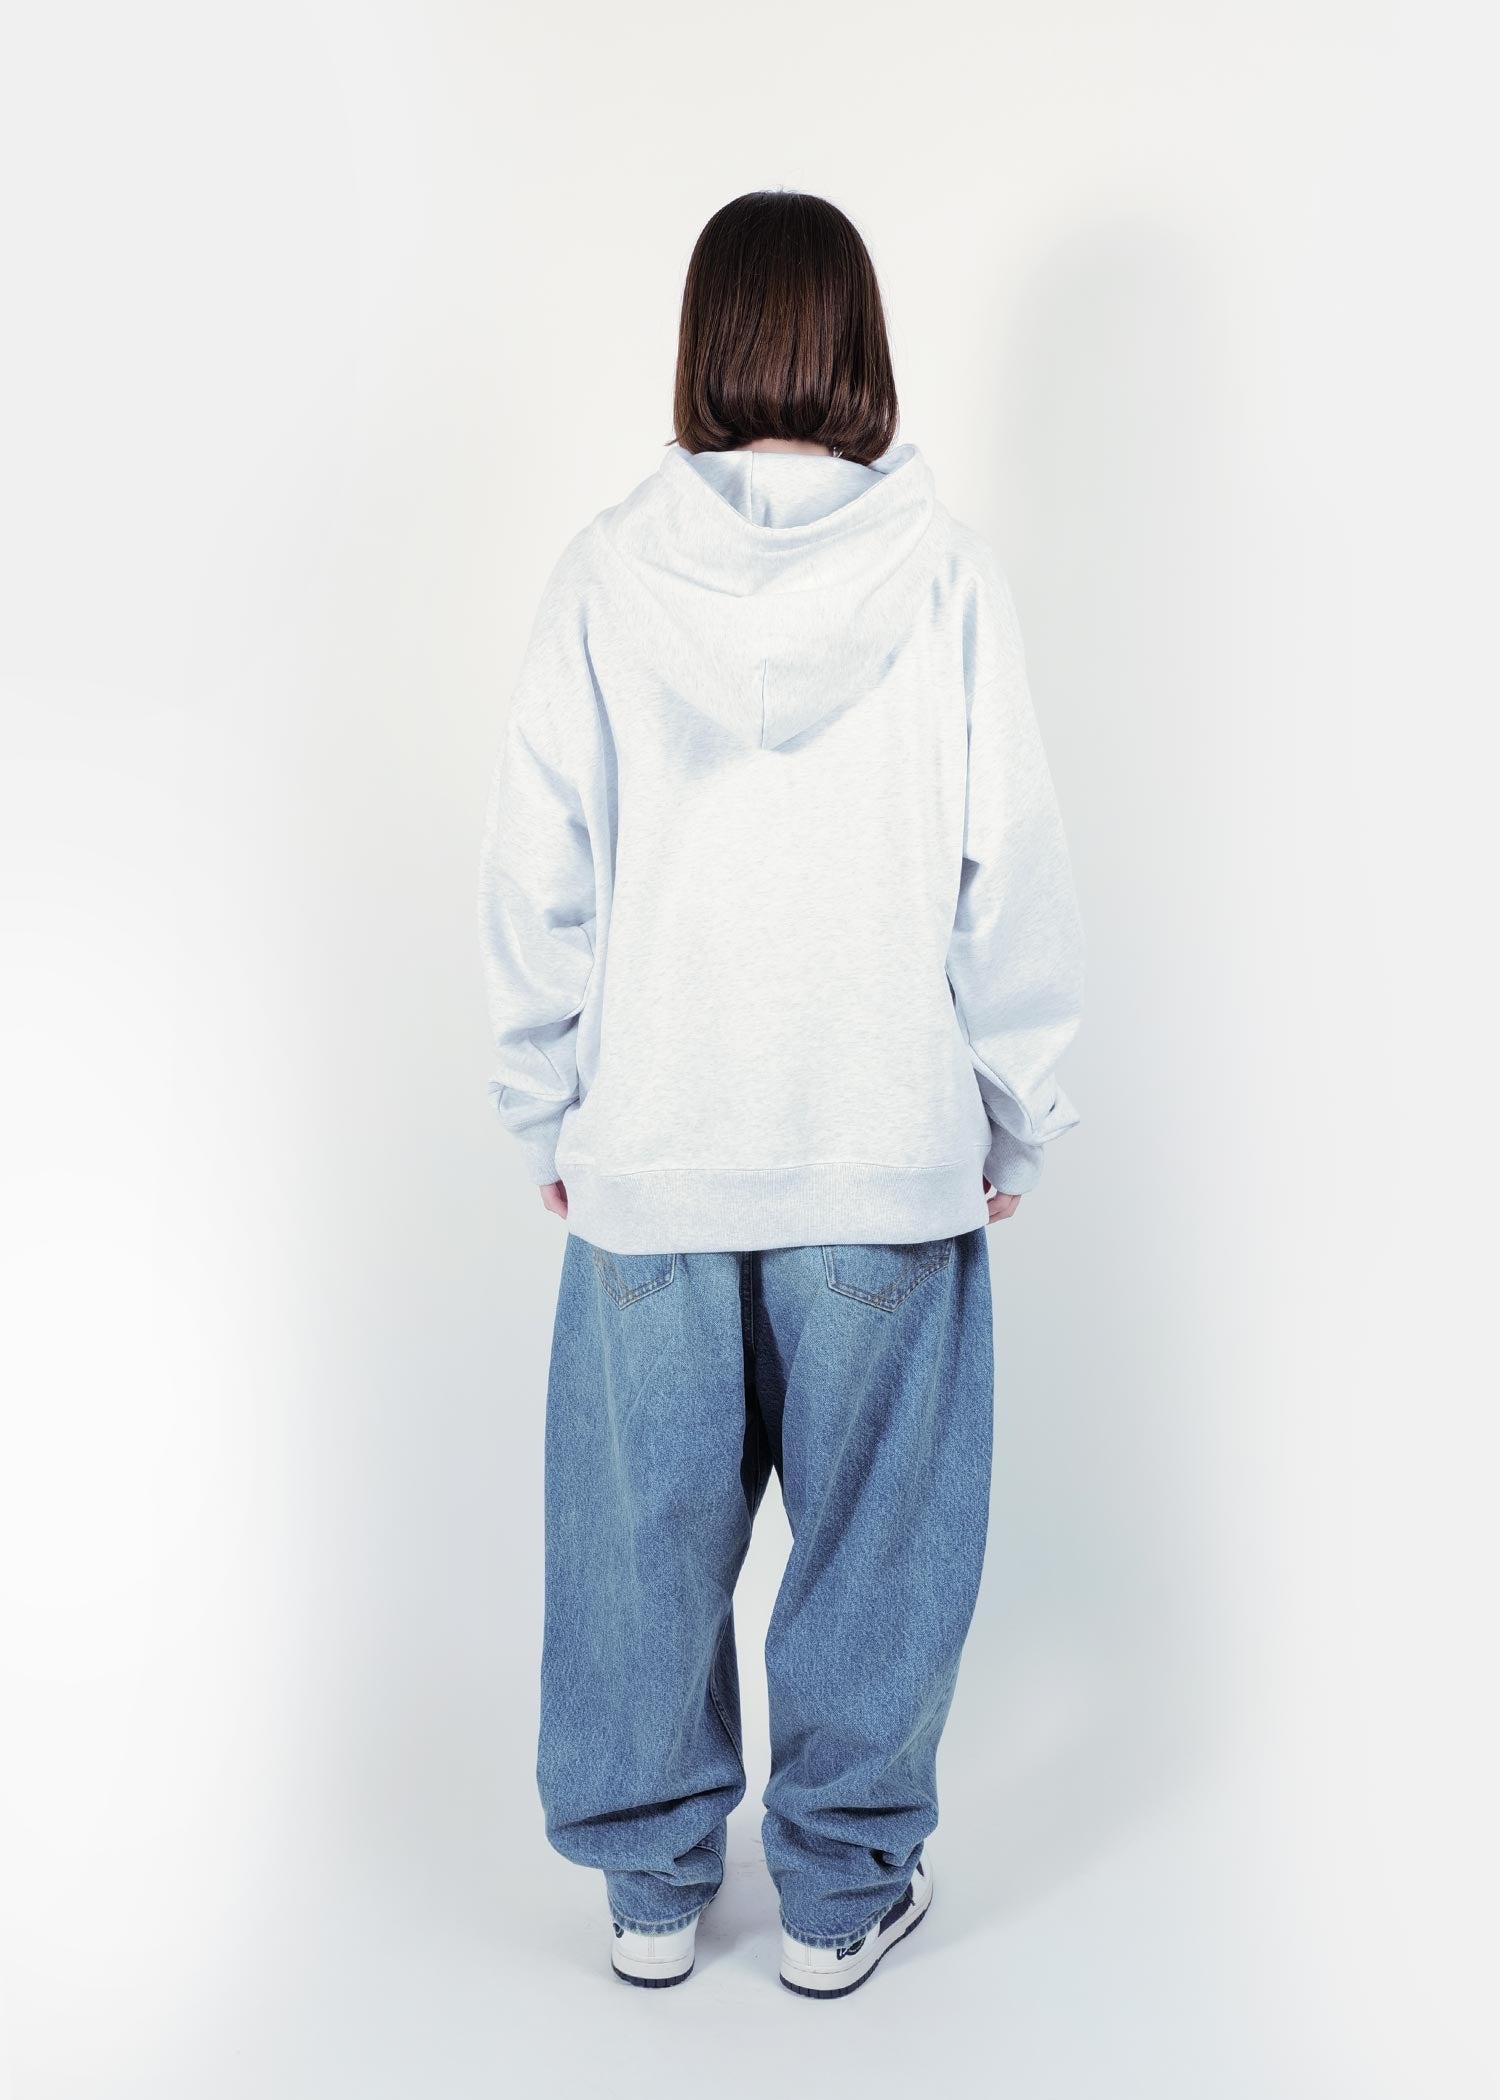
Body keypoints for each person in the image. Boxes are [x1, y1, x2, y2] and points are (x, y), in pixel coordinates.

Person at [477, 190, 1084, 1998]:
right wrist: (1018, 1104)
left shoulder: (604, 576)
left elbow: (536, 867)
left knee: (638, 1543)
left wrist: (542, 1100)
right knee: (883, 1544)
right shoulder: (945, 573)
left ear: (706, 341)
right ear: (858, 343)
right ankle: (837, 1897)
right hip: (879, 1155)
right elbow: (1010, 868)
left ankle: (651, 1894)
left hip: (654, 1155)